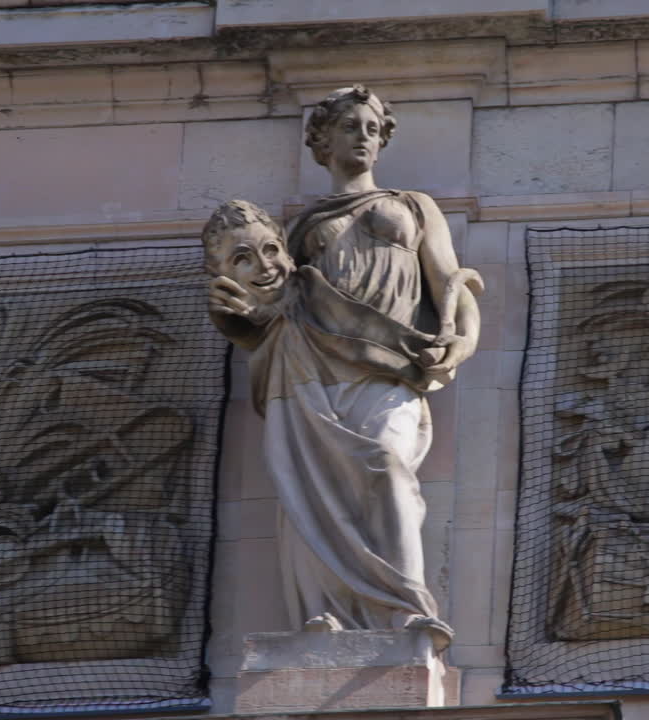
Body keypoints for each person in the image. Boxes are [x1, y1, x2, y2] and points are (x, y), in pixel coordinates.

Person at [204, 86, 481, 650]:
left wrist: (464, 341)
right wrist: (240, 313)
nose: (363, 137)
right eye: (350, 127)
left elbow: (454, 281)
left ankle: (405, 609)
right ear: (322, 141)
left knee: (385, 465)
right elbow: (279, 306)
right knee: (309, 486)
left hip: (390, 367)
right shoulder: (302, 230)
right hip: (311, 369)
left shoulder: (413, 206)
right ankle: (323, 614)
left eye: (373, 129)